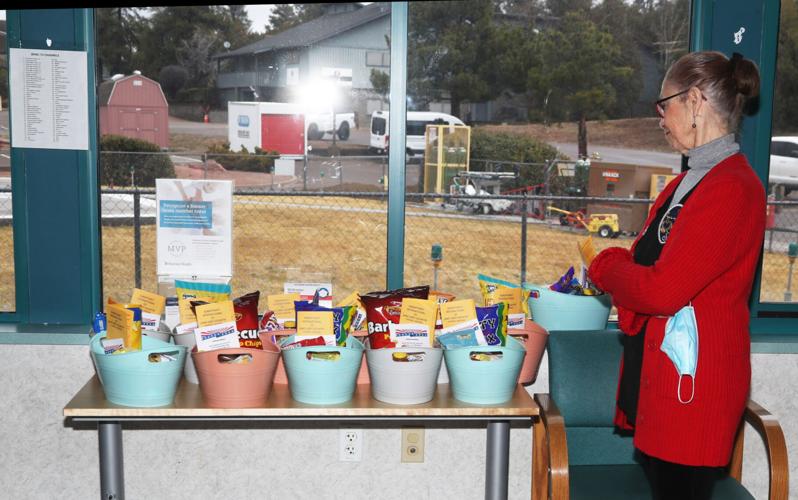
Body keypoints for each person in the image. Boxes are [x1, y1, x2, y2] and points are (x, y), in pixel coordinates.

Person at [587, 51, 763, 500]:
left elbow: (662, 289)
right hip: (663, 387)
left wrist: (605, 266)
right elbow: (648, 266)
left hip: (693, 395)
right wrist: (624, 269)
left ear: (697, 101)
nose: (661, 118)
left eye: (664, 105)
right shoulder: (688, 182)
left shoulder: (731, 188)